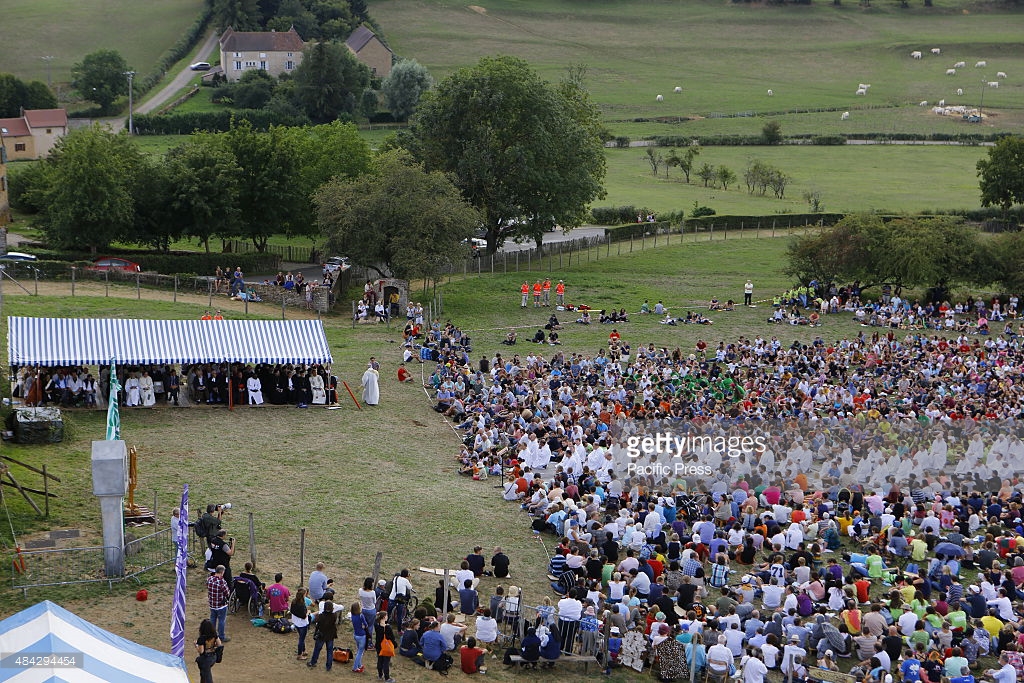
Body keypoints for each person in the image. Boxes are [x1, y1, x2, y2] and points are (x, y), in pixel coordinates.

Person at [307, 600, 339, 671]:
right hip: (330, 635)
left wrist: (315, 633)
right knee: (330, 651)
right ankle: (329, 666)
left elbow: (317, 625)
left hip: (321, 635)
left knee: (317, 649)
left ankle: (313, 662)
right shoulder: (334, 615)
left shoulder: (320, 616)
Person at [206, 565, 230, 643]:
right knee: (221, 621)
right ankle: (221, 637)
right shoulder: (221, 581)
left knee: (212, 619)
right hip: (221, 605)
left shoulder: (209, 579)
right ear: (222, 572)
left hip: (212, 604)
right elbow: (227, 593)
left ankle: (211, 635)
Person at [194, 618, 221, 683]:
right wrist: (213, 647)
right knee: (204, 675)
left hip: (205, 660)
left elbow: (201, 651)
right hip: (213, 657)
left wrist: (196, 645)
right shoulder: (214, 635)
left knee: (207, 678)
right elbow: (219, 644)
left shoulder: (201, 638)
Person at [375, 611, 397, 683]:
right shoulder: (388, 627)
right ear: (384, 617)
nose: (387, 617)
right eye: (386, 615)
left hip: (379, 646)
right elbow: (392, 638)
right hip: (386, 647)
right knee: (386, 662)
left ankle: (380, 675)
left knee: (380, 661)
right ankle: (387, 678)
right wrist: (395, 645)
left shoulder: (377, 626)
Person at [290, 587, 311, 660]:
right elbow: (304, 616)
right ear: (303, 595)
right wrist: (308, 612)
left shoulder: (293, 601)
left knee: (301, 637)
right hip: (302, 624)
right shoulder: (302, 605)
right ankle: (299, 655)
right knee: (301, 639)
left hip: (296, 622)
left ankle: (303, 650)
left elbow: (291, 611)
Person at [351, 601, 371, 673]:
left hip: (356, 635)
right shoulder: (361, 616)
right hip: (362, 635)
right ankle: (355, 667)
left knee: (358, 650)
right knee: (360, 652)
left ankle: (359, 665)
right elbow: (366, 624)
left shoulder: (352, 615)